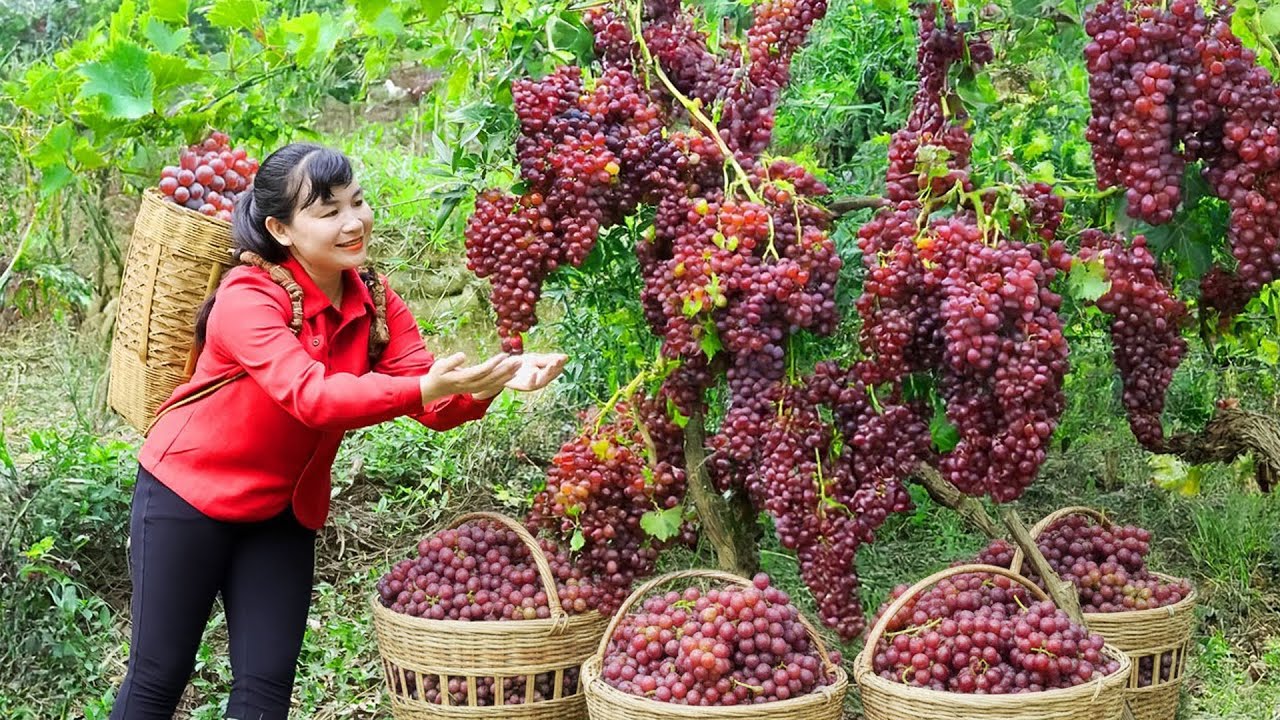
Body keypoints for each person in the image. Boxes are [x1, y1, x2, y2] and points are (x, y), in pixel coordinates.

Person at [110, 142, 566, 720]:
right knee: (158, 677)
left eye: (357, 201)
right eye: (328, 212)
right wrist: (428, 387)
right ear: (280, 228)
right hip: (188, 497)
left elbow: (427, 402)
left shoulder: (373, 297)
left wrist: (492, 380)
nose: (354, 222)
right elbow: (313, 398)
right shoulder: (247, 297)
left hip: (282, 511)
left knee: (265, 688)